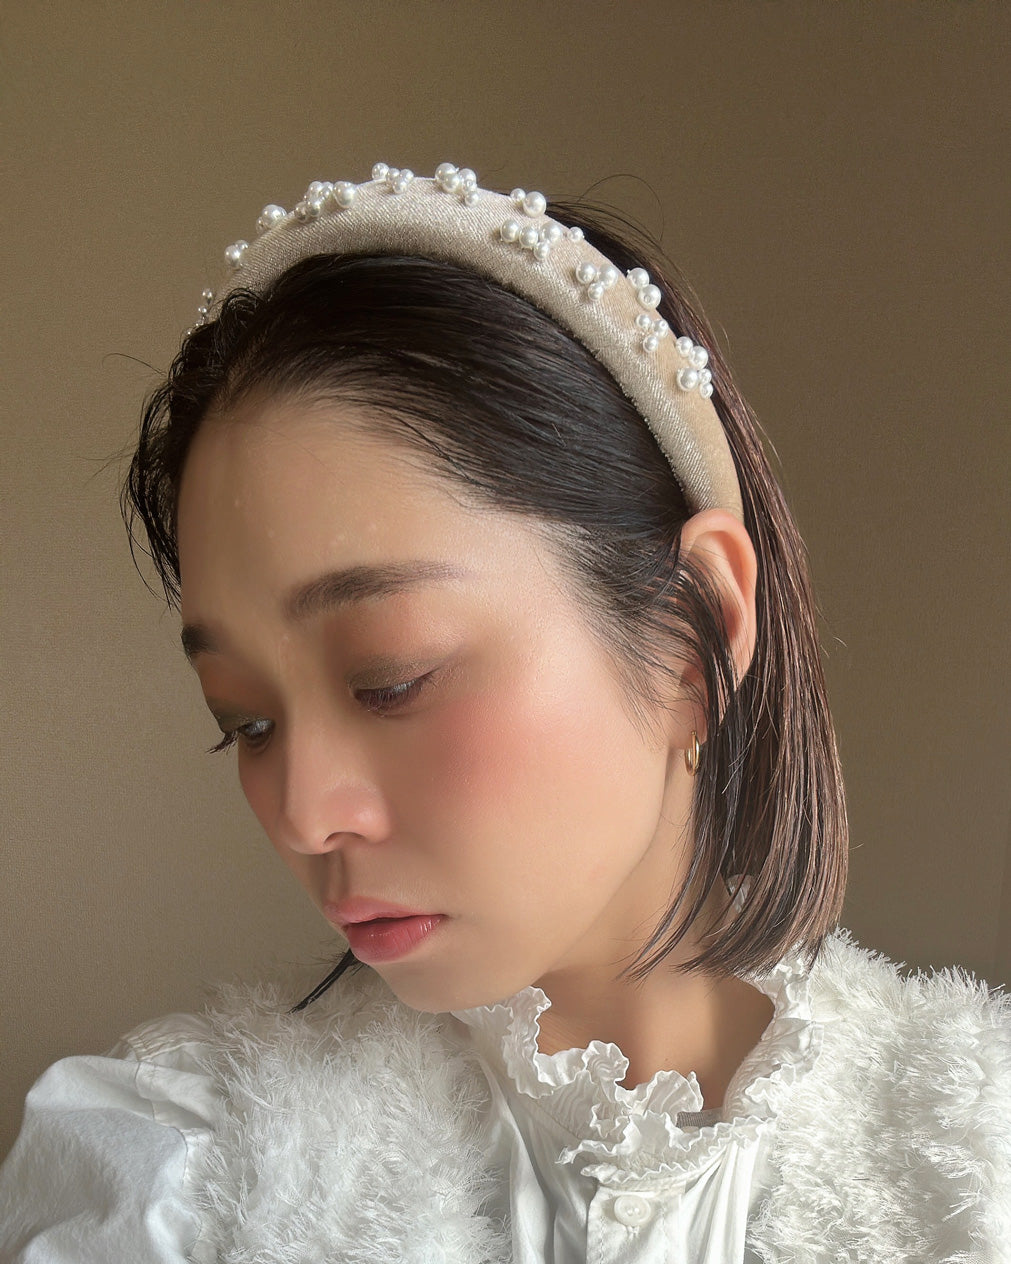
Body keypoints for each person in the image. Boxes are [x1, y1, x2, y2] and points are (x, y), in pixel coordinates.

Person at [1, 161, 1008, 1263]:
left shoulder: (976, 1161)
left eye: (391, 678)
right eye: (245, 719)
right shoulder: (186, 1175)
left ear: (692, 633)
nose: (302, 814)